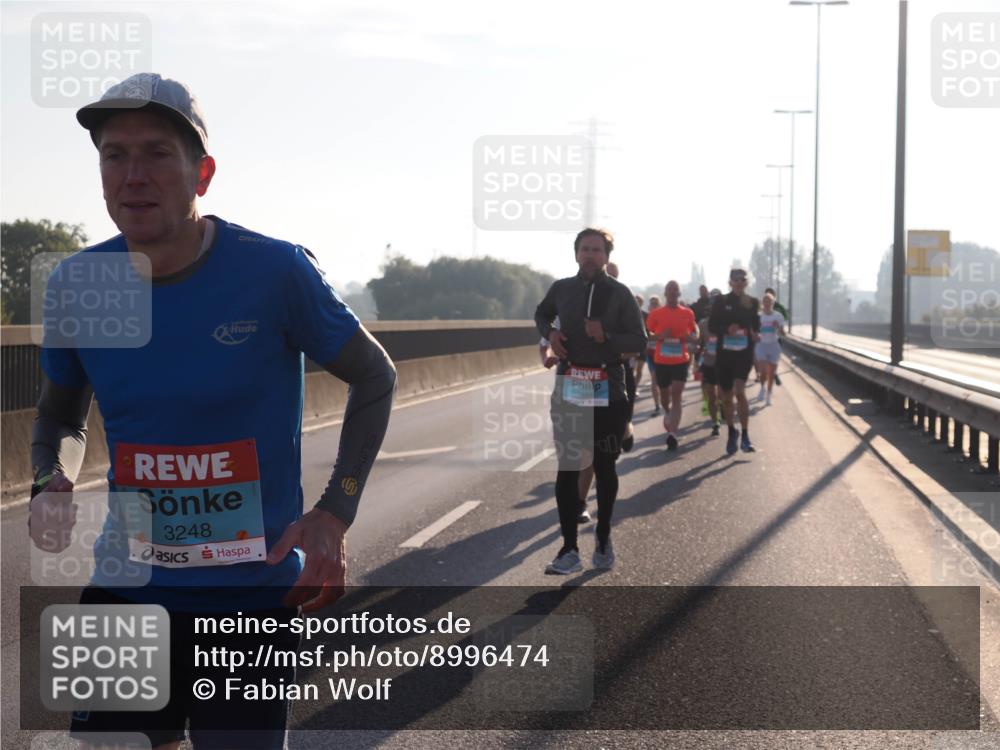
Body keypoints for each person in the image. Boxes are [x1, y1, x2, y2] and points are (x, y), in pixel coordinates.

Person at [28, 73, 396, 750]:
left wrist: (336, 508)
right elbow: (60, 417)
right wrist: (49, 474)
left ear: (203, 171)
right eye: (115, 155)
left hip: (251, 601)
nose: (132, 175)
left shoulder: (274, 272)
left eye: (156, 153)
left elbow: (374, 376)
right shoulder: (82, 283)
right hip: (127, 588)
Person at [535, 228, 646, 573]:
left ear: (607, 256)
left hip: (608, 388)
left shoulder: (619, 294)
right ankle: (569, 548)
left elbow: (640, 341)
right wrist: (550, 333)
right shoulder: (562, 289)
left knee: (603, 464)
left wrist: (608, 336)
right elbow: (541, 314)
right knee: (568, 467)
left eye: (597, 250)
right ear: (576, 254)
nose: (590, 255)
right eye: (584, 249)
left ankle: (602, 535)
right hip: (570, 383)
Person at [709, 269, 760, 455]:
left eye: (742, 279)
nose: (739, 282)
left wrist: (755, 334)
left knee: (740, 390)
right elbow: (712, 325)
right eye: (736, 279)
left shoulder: (752, 302)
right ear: (730, 282)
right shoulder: (721, 301)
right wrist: (726, 329)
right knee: (726, 396)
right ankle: (732, 431)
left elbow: (756, 325)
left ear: (746, 283)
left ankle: (745, 435)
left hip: (743, 354)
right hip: (724, 354)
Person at [645, 280, 698, 452]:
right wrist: (659, 336)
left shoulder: (688, 313)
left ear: (679, 293)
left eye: (676, 289)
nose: (673, 292)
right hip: (662, 360)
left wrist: (692, 337)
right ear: (665, 293)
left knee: (677, 394)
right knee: (665, 397)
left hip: (680, 359)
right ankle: (667, 413)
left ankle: (673, 434)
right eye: (670, 289)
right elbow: (647, 334)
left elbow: (694, 331)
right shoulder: (656, 313)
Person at [696, 288, 723, 436]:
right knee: (711, 394)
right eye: (713, 303)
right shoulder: (703, 324)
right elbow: (698, 344)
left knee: (723, 395)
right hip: (708, 363)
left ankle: (723, 407)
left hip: (725, 363)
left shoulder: (728, 323)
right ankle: (715, 422)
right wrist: (696, 351)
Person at [755, 292, 786, 405]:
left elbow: (783, 334)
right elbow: (754, 331)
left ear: (773, 303)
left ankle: (769, 394)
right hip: (761, 345)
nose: (767, 304)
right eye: (765, 302)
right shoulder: (758, 316)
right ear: (762, 303)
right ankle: (762, 388)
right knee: (763, 371)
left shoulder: (778, 316)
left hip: (774, 345)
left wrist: (778, 327)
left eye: (769, 302)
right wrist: (755, 336)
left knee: (771, 373)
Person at [764, 287, 787, 386]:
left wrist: (779, 324)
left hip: (776, 337)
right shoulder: (761, 309)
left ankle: (774, 373)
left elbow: (785, 318)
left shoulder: (780, 308)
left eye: (771, 296)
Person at [643, 295, 662, 415]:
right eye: (652, 303)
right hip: (651, 354)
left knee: (665, 381)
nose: (653, 305)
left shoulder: (663, 317)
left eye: (656, 303)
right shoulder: (645, 319)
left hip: (664, 354)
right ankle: (657, 405)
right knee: (654, 379)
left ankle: (666, 401)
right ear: (649, 306)